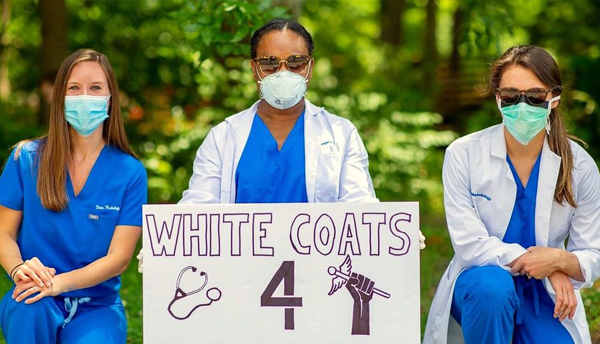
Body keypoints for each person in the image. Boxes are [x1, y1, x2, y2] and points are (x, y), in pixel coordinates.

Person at [136, 17, 425, 272]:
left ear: (309, 68)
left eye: (296, 62)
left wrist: (391, 231)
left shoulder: (340, 132)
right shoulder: (224, 136)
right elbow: (200, 204)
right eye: (270, 63)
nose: (283, 72)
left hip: (320, 272)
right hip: (239, 274)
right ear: (254, 69)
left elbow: (358, 204)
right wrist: (167, 243)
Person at [423, 45, 600, 344]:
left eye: (534, 96)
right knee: (492, 288)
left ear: (553, 99)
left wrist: (557, 260)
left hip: (544, 296)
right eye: (510, 96)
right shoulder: (463, 154)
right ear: (497, 98)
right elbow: (470, 246)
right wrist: (544, 263)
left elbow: (592, 255)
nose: (522, 105)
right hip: (482, 284)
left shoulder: (580, 165)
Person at [0, 49, 147, 343]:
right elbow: (3, 233)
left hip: (96, 307)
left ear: (110, 97)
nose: (85, 96)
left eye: (95, 88)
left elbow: (119, 258)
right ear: (60, 97)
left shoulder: (130, 172)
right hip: (33, 295)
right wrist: (18, 269)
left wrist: (58, 284)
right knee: (29, 307)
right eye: (74, 88)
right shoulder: (25, 158)